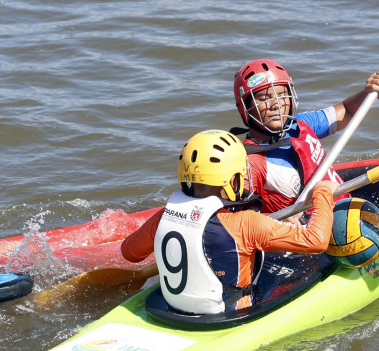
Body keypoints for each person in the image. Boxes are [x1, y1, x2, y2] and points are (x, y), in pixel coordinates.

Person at [121, 129, 337, 314]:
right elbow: (316, 241)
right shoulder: (247, 223)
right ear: (231, 179)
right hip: (229, 314)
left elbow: (129, 252)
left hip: (171, 308)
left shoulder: (165, 215)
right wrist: (323, 192)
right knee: (299, 266)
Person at [232, 59, 379, 215]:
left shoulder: (300, 123)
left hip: (344, 208)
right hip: (313, 233)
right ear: (244, 107)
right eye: (264, 98)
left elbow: (346, 111)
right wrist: (277, 220)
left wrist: (368, 92)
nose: (276, 105)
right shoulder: (250, 163)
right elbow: (241, 221)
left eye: (281, 95)